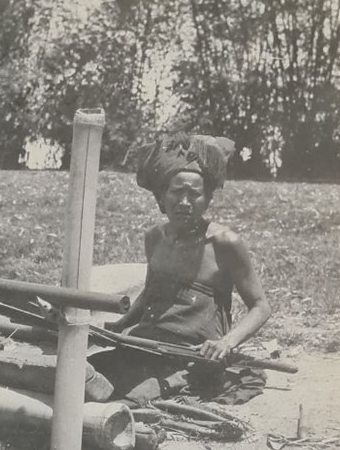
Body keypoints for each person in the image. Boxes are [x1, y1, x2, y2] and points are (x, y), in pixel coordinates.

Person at [89, 130, 271, 406]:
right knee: (82, 379)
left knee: (129, 402)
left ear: (208, 198)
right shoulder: (155, 238)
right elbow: (151, 293)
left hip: (192, 357)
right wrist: (120, 325)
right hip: (146, 346)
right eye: (177, 192)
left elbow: (260, 306)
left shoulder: (225, 243)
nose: (185, 203)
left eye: (195, 194)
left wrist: (226, 343)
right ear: (162, 197)